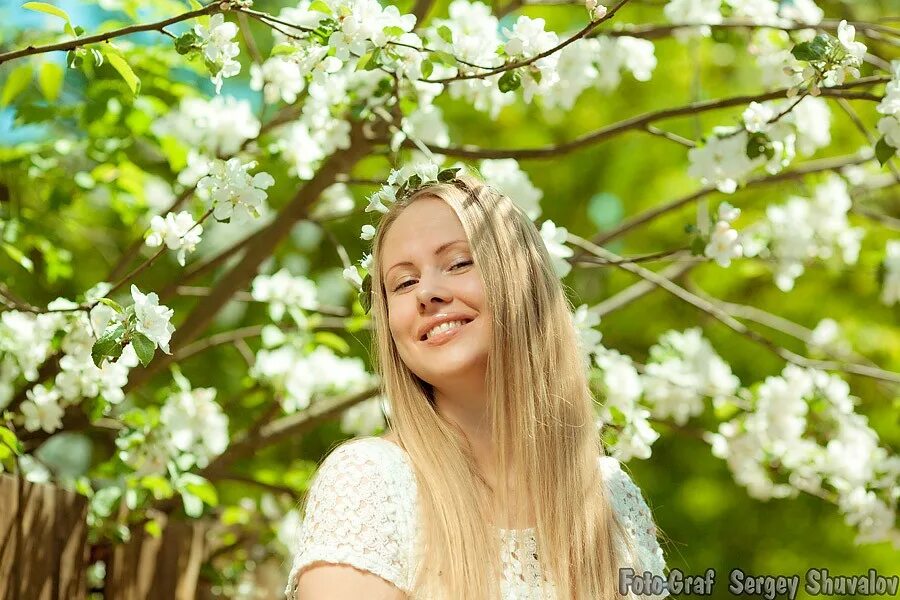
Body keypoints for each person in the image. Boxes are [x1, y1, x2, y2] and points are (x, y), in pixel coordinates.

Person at [285, 170, 669, 599]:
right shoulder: (372, 484)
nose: (426, 292)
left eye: (458, 263)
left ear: (523, 281)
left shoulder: (611, 498)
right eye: (404, 282)